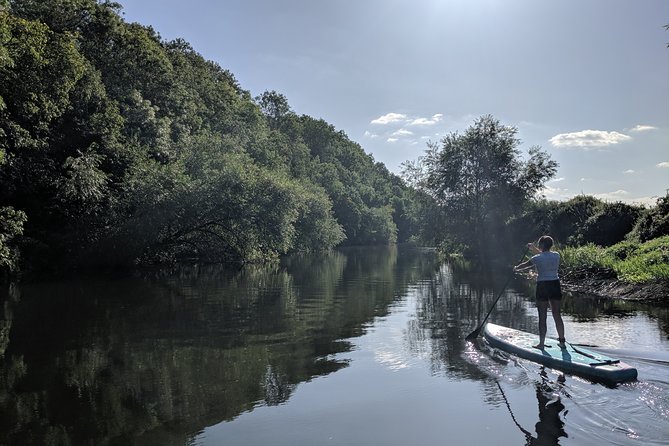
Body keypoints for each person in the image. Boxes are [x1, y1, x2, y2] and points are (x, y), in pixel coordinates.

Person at [514, 235, 565, 350]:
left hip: (543, 286)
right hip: (555, 284)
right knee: (557, 314)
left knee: (542, 316)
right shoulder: (556, 255)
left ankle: (541, 344)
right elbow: (544, 255)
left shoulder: (537, 258)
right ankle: (562, 341)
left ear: (541, 245)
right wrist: (533, 248)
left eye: (539, 245)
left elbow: (525, 265)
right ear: (551, 245)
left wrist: (516, 268)